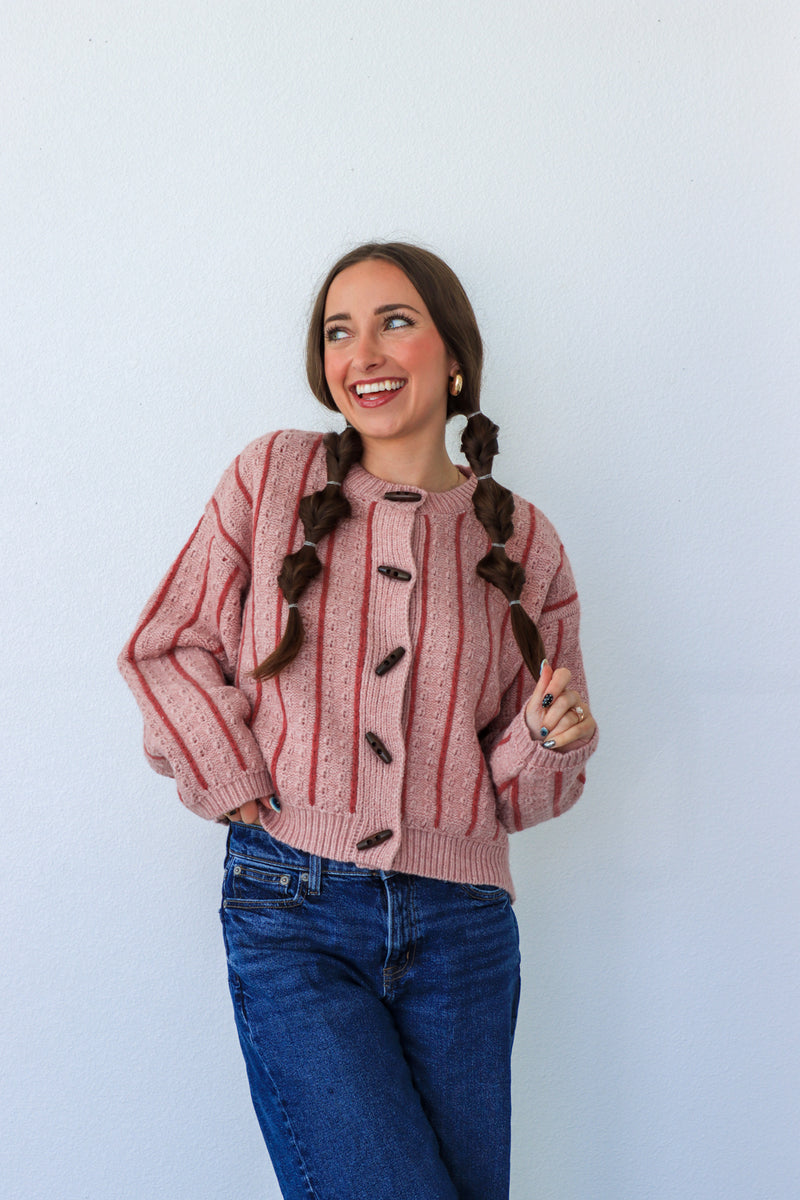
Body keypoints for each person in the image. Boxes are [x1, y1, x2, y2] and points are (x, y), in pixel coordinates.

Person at [119, 242, 597, 1200]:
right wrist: (235, 778)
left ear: (454, 356)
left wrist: (549, 738)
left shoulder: (524, 537)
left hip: (463, 930)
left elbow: (520, 790)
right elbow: (165, 645)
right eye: (340, 331)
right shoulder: (272, 480)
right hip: (293, 911)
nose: (363, 353)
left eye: (395, 321)